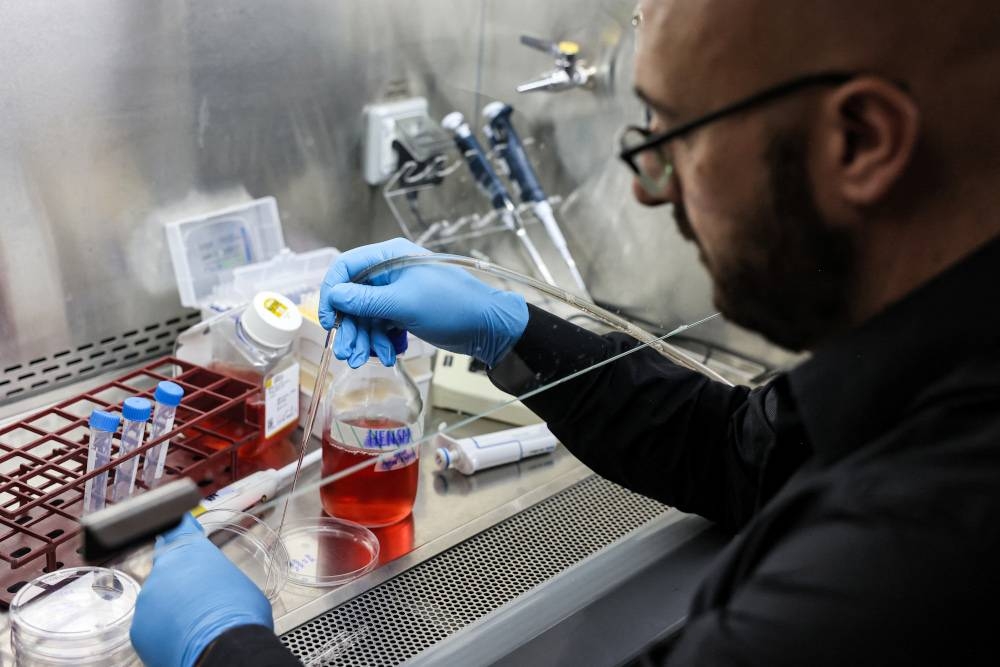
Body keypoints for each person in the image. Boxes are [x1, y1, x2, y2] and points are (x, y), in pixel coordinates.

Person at [131, 0, 1000, 664]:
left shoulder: (910, 552)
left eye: (678, 135)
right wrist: (510, 332)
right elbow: (743, 451)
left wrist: (223, 649)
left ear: (860, 142)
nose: (649, 188)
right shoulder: (935, 374)